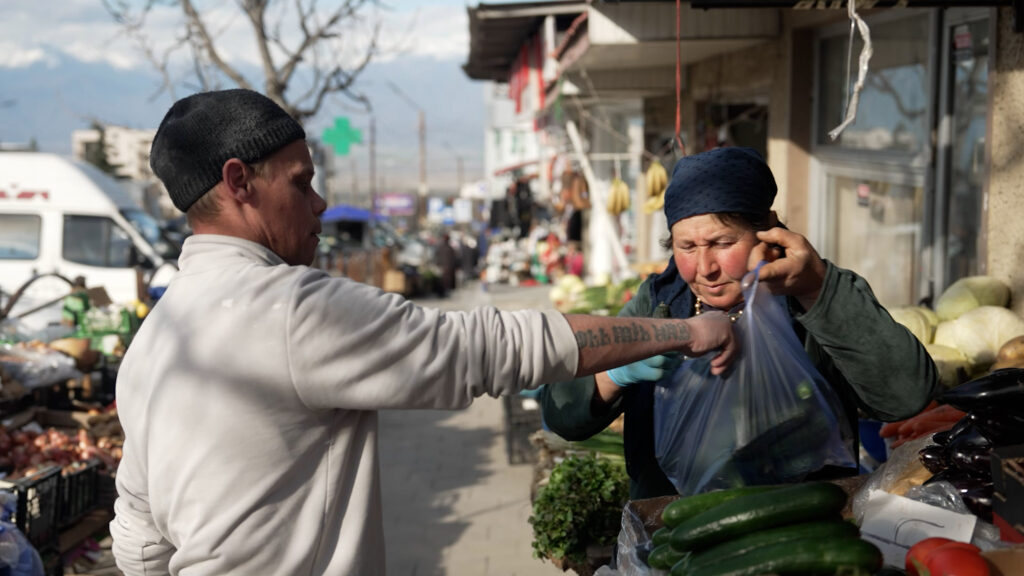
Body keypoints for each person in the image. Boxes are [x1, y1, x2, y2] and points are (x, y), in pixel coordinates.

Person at [108, 88, 739, 576]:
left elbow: (137, 535)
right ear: (239, 182)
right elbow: (488, 348)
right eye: (301, 183)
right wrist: (682, 332)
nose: (320, 202)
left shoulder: (156, 339)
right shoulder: (291, 310)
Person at [538, 146, 940, 500]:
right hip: (678, 533)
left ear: (769, 231)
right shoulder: (660, 302)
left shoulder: (810, 298)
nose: (705, 268)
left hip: (803, 528)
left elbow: (906, 396)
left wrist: (819, 288)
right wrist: (616, 373)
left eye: (722, 243)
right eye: (687, 247)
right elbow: (561, 415)